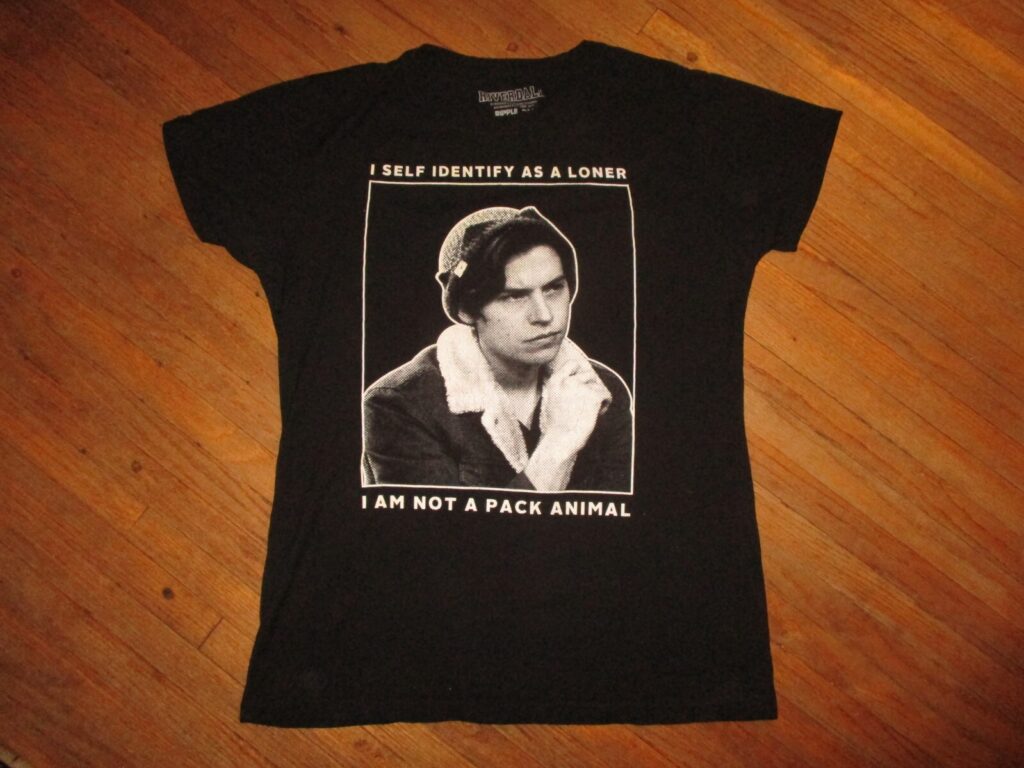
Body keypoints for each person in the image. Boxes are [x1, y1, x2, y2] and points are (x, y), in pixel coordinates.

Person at [362, 205, 632, 492]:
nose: (544, 315)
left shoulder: (602, 388)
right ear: (467, 309)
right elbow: (436, 525)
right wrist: (559, 444)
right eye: (514, 296)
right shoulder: (399, 404)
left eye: (554, 288)